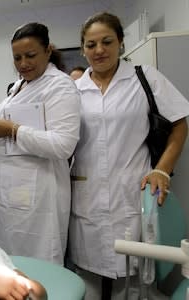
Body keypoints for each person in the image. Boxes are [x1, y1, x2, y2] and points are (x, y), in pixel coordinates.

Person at [69, 12, 189, 299]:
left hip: (133, 192)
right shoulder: (73, 90)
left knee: (136, 282)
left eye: (107, 41)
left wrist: (162, 170)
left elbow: (179, 124)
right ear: (83, 49)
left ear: (121, 43)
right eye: (91, 44)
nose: (99, 50)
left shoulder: (144, 77)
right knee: (88, 282)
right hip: (87, 197)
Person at [0, 22, 80, 265]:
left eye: (30, 55)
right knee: (12, 266)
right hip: (12, 195)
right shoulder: (19, 85)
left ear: (48, 50)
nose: (23, 64)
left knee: (40, 265)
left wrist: (13, 130)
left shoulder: (60, 86)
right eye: (17, 58)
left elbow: (63, 145)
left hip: (40, 197)